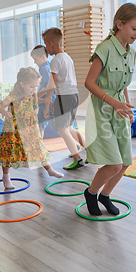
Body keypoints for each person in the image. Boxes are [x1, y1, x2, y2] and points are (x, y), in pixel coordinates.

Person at [83, 3, 136, 215]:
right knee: (114, 164)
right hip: (102, 110)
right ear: (120, 24)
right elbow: (89, 83)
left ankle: (105, 195)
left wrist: (127, 108)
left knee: (125, 162)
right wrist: (114, 102)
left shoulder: (132, 53)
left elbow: (124, 85)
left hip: (119, 109)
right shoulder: (105, 49)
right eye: (134, 28)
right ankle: (91, 193)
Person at [0, 67, 64, 189]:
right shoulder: (14, 95)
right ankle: (6, 177)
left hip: (29, 127)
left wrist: (44, 102)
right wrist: (5, 113)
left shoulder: (33, 95)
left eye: (36, 86)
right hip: (14, 129)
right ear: (22, 84)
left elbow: (34, 105)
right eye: (32, 86)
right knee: (8, 152)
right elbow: (0, 106)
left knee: (37, 148)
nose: (34, 89)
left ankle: (50, 170)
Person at [41, 27, 86, 170]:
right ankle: (89, 151)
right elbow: (66, 81)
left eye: (46, 45)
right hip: (72, 96)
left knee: (62, 130)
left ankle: (77, 159)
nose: (46, 49)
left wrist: (47, 104)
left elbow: (51, 84)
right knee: (69, 128)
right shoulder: (67, 57)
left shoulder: (55, 61)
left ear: (50, 43)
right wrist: (56, 101)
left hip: (65, 97)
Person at [30, 45, 56, 139]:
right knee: (40, 126)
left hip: (48, 102)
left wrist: (35, 96)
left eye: (35, 59)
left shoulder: (45, 69)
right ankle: (39, 148)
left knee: (59, 128)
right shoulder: (44, 67)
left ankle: (74, 144)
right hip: (44, 102)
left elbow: (47, 88)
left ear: (43, 57)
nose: (34, 62)